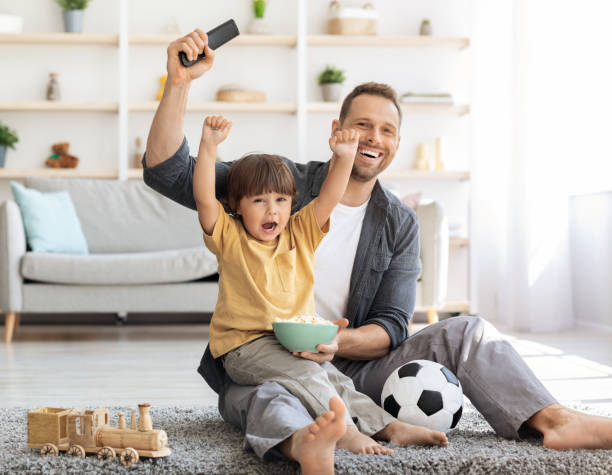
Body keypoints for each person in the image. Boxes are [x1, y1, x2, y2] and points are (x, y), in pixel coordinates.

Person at [144, 30, 612, 472]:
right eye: (362, 125)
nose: (373, 137)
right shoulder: (279, 186)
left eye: (386, 130)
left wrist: (334, 343)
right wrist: (179, 83)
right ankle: (309, 441)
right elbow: (169, 172)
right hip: (262, 360)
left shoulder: (397, 221)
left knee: (467, 331)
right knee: (275, 397)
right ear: (338, 130)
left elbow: (391, 324)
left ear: (396, 144)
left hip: (354, 366)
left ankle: (554, 421)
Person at [193, 115, 448, 463]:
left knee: (334, 376)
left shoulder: (299, 233)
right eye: (259, 201)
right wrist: (208, 146)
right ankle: (345, 432)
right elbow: (206, 199)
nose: (273, 210)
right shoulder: (229, 236)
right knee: (309, 374)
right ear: (237, 206)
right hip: (243, 346)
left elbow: (330, 196)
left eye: (282, 200)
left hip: (287, 343)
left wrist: (344, 156)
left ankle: (387, 426)